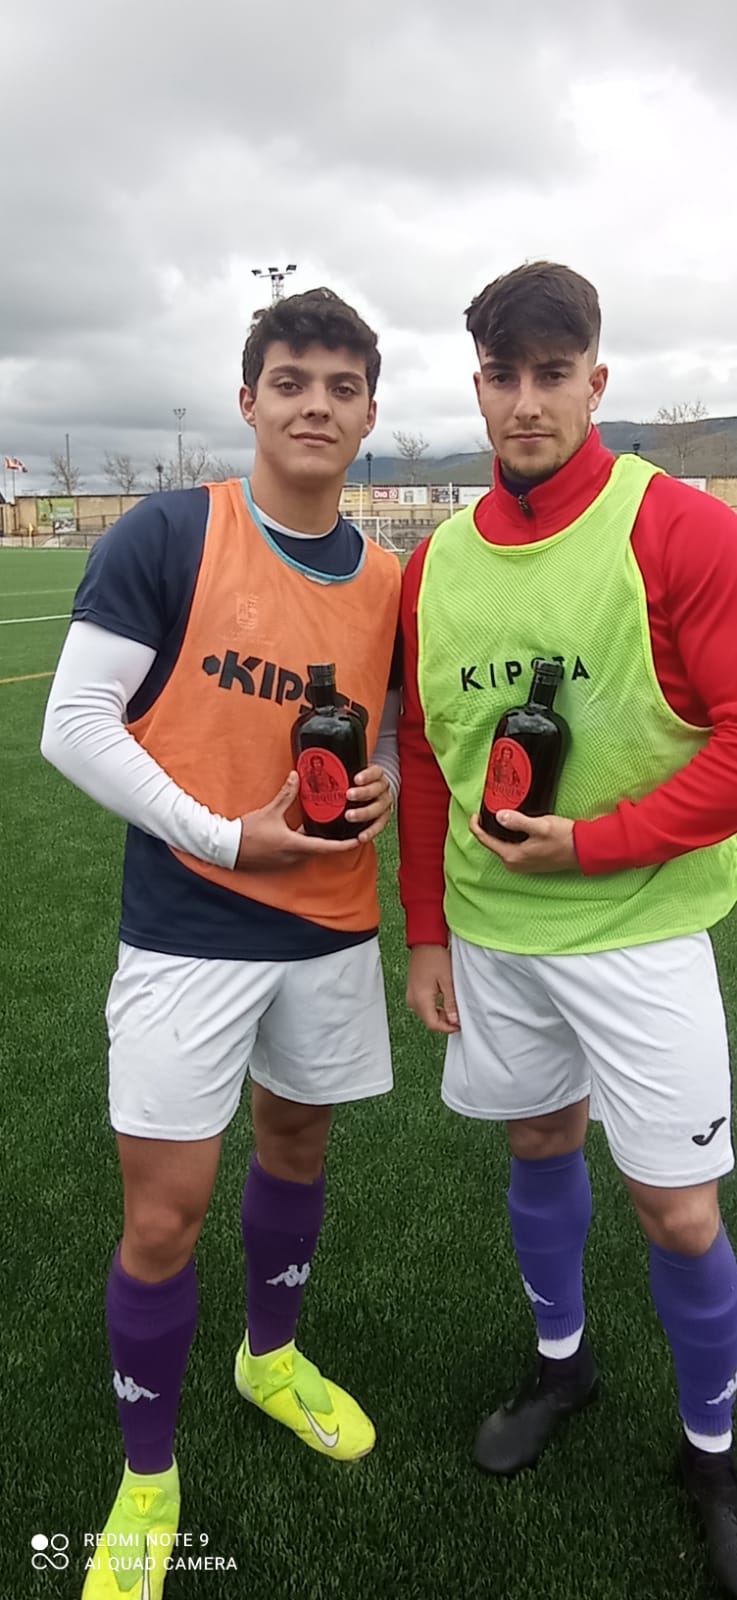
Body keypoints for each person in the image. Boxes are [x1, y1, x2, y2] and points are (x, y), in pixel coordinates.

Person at [42, 287, 401, 1600]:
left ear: (370, 412)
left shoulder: (387, 581)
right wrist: (219, 833)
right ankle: (147, 1476)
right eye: (291, 379)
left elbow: (388, 746)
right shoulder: (166, 530)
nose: (316, 404)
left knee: (297, 1146)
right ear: (249, 399)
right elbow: (75, 724)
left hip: (328, 932)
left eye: (341, 385)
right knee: (162, 1211)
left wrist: (381, 793)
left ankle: (270, 1356)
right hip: (191, 928)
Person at [398, 260, 737, 1594]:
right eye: (501, 375)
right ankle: (562, 1367)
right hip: (491, 937)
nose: (524, 400)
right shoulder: (434, 564)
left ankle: (713, 1449)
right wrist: (424, 930)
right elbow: (426, 756)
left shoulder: (680, 531)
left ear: (594, 381)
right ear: (475, 383)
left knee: (676, 1210)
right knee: (537, 1142)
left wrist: (591, 841)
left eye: (553, 374)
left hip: (641, 931)